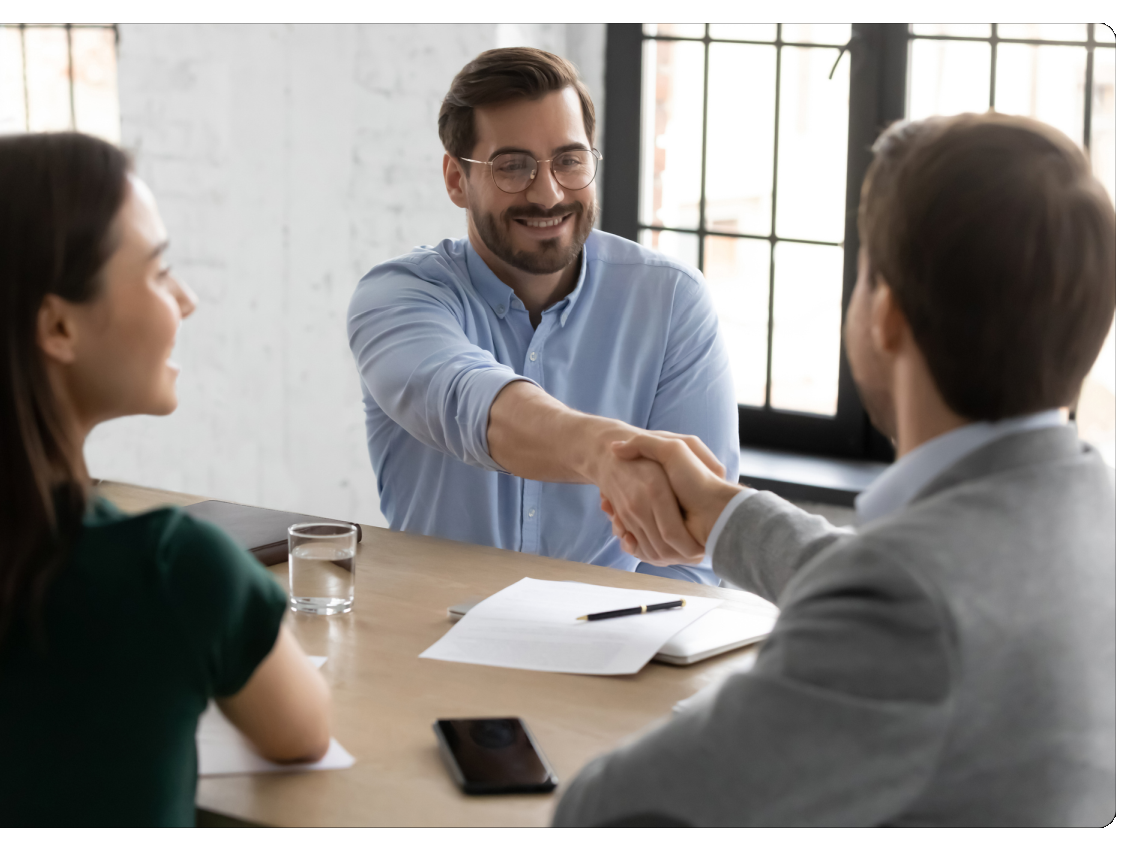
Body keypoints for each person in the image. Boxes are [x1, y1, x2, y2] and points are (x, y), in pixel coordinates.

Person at [555, 113, 1116, 826]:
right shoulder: (1079, 509)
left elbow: (610, 810)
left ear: (884, 313)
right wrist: (724, 514)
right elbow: (919, 582)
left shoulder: (904, 610)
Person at [0, 133, 331, 826]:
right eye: (157, 271)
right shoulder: (172, 570)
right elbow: (302, 733)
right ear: (57, 325)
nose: (187, 300)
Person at [347, 48, 738, 584]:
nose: (548, 191)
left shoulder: (671, 301)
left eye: (569, 160)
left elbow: (693, 551)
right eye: (513, 166)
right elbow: (469, 402)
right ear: (456, 179)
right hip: (429, 642)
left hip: (612, 641)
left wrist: (649, 651)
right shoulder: (397, 297)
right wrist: (602, 453)